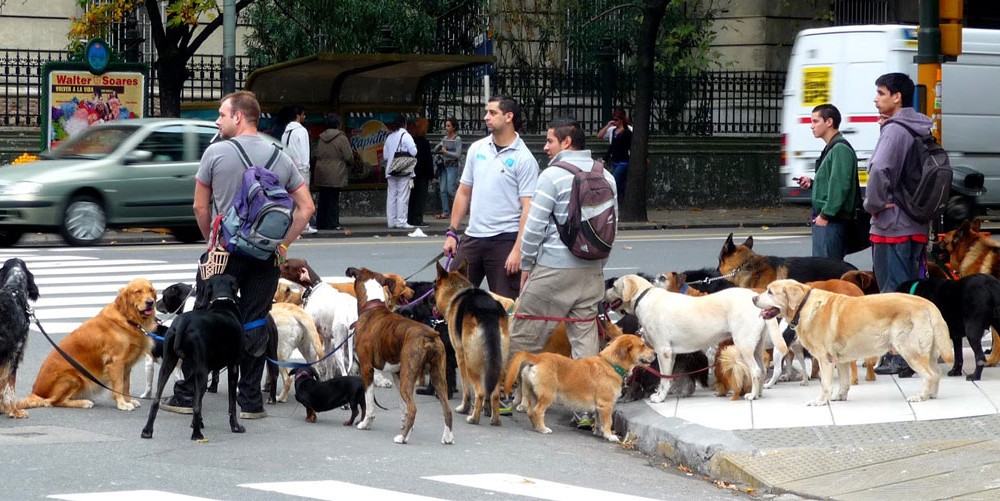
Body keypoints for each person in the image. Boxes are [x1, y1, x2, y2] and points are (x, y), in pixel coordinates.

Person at [161, 90, 315, 419]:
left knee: (203, 318)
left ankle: (189, 394)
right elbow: (307, 207)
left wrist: (211, 242)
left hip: (223, 254)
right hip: (266, 257)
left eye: (221, 114)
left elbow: (199, 206)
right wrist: (282, 245)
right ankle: (250, 401)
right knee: (256, 318)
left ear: (239, 117)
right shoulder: (281, 154)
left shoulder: (216, 153)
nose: (217, 120)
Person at [508, 117, 616, 428]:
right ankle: (585, 409)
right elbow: (612, 226)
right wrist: (597, 266)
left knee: (525, 330)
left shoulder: (552, 176)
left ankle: (512, 397)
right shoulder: (605, 175)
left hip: (554, 268)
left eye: (549, 140)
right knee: (584, 341)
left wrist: (527, 266)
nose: (545, 146)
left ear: (566, 143)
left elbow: (533, 228)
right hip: (592, 269)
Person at [865, 72, 933, 377]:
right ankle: (916, 352)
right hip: (917, 221)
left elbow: (879, 169)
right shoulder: (919, 127)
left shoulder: (895, 131)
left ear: (897, 98)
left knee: (893, 295)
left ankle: (901, 357)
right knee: (911, 290)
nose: (876, 98)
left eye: (881, 93)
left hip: (892, 225)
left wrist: (873, 204)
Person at [442, 96, 539, 299]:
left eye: (492, 113)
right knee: (451, 298)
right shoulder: (477, 149)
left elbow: (528, 208)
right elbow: (464, 191)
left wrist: (518, 250)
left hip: (505, 239)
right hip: (473, 237)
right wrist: (452, 231)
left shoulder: (524, 158)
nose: (486, 117)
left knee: (505, 306)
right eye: (487, 112)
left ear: (509, 117)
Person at [795, 104, 858, 260]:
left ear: (829, 122)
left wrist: (825, 215)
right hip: (828, 220)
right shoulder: (831, 148)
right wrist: (812, 183)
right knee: (823, 268)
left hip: (832, 221)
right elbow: (832, 181)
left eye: (816, 121)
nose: (812, 126)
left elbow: (840, 186)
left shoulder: (840, 149)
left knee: (826, 270)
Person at [278, 106, 316, 234]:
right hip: (300, 169)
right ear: (298, 116)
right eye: (303, 115)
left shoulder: (286, 132)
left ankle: (291, 224)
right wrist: (306, 167)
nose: (304, 117)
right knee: (304, 199)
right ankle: (304, 225)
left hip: (288, 168)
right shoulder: (301, 131)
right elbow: (305, 151)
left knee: (292, 198)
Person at [312, 113, 353, 230]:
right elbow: (348, 156)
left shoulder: (321, 138)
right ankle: (333, 223)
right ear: (339, 124)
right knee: (333, 199)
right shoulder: (341, 138)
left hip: (321, 172)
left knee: (323, 198)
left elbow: (317, 153)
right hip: (336, 172)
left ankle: (322, 223)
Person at [383, 114, 418, 229]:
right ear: (405, 124)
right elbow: (414, 152)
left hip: (391, 170)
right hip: (404, 169)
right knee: (402, 195)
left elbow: (385, 156)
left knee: (392, 195)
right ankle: (401, 221)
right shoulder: (406, 136)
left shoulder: (389, 137)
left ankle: (391, 221)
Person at [596, 109, 632, 204]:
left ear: (621, 120)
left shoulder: (628, 132)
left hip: (623, 160)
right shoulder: (613, 131)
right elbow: (609, 144)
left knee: (615, 180)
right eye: (614, 120)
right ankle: (622, 200)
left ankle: (617, 200)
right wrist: (608, 125)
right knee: (620, 182)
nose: (614, 122)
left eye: (616, 120)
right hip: (614, 159)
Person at [433, 117, 463, 220]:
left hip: (452, 166)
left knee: (451, 189)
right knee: (443, 190)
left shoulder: (457, 139)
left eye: (449, 126)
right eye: (446, 125)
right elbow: (435, 149)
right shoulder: (445, 138)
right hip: (444, 166)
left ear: (454, 127)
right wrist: (441, 144)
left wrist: (446, 152)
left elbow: (458, 154)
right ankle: (445, 211)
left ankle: (459, 210)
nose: (446, 128)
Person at [407, 117, 433, 228]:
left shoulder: (411, 140)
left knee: (412, 197)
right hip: (422, 174)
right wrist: (431, 175)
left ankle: (410, 218)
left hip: (412, 172)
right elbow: (428, 160)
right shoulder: (424, 143)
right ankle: (418, 218)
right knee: (420, 197)